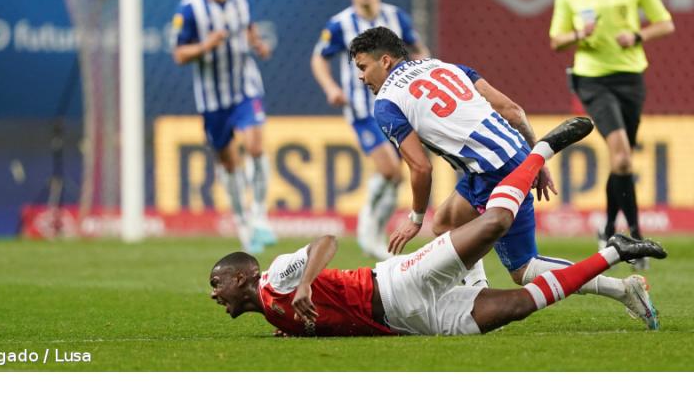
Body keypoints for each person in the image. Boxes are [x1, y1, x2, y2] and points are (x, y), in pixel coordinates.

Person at [209, 116, 668, 337]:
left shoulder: (274, 278)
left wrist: (306, 284)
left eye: (216, 283)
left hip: (397, 285)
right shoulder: (272, 309)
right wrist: (292, 323)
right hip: (415, 322)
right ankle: (617, 251)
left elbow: (324, 243)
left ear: (241, 276)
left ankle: (541, 149)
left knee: (493, 224)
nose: (214, 293)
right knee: (519, 306)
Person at [347, 26, 660, 330]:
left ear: (385, 60)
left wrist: (415, 218)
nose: (361, 76)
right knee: (445, 224)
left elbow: (420, 168)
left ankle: (621, 289)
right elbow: (513, 111)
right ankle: (477, 293)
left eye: (363, 66)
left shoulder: (386, 102)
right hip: (510, 158)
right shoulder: (444, 66)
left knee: (524, 270)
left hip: (493, 172)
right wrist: (536, 159)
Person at [550, 0, 675, 269]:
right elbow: (556, 40)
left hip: (631, 75)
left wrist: (637, 37)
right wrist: (578, 34)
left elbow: (665, 22)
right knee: (621, 157)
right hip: (592, 79)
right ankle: (633, 235)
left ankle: (607, 230)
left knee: (621, 160)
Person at [311, 0, 429, 260]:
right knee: (390, 168)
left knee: (397, 175)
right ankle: (368, 226)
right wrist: (331, 88)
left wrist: (422, 74)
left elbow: (419, 49)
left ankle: (375, 232)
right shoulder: (340, 24)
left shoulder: (395, 17)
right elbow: (318, 59)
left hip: (398, 107)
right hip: (362, 110)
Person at [172, 0, 276, 254]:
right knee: (230, 164)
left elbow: (249, 27)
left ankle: (259, 215)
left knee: (256, 146)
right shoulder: (189, 9)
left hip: (246, 87)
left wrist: (257, 43)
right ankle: (243, 222)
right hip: (213, 100)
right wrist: (206, 45)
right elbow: (179, 54)